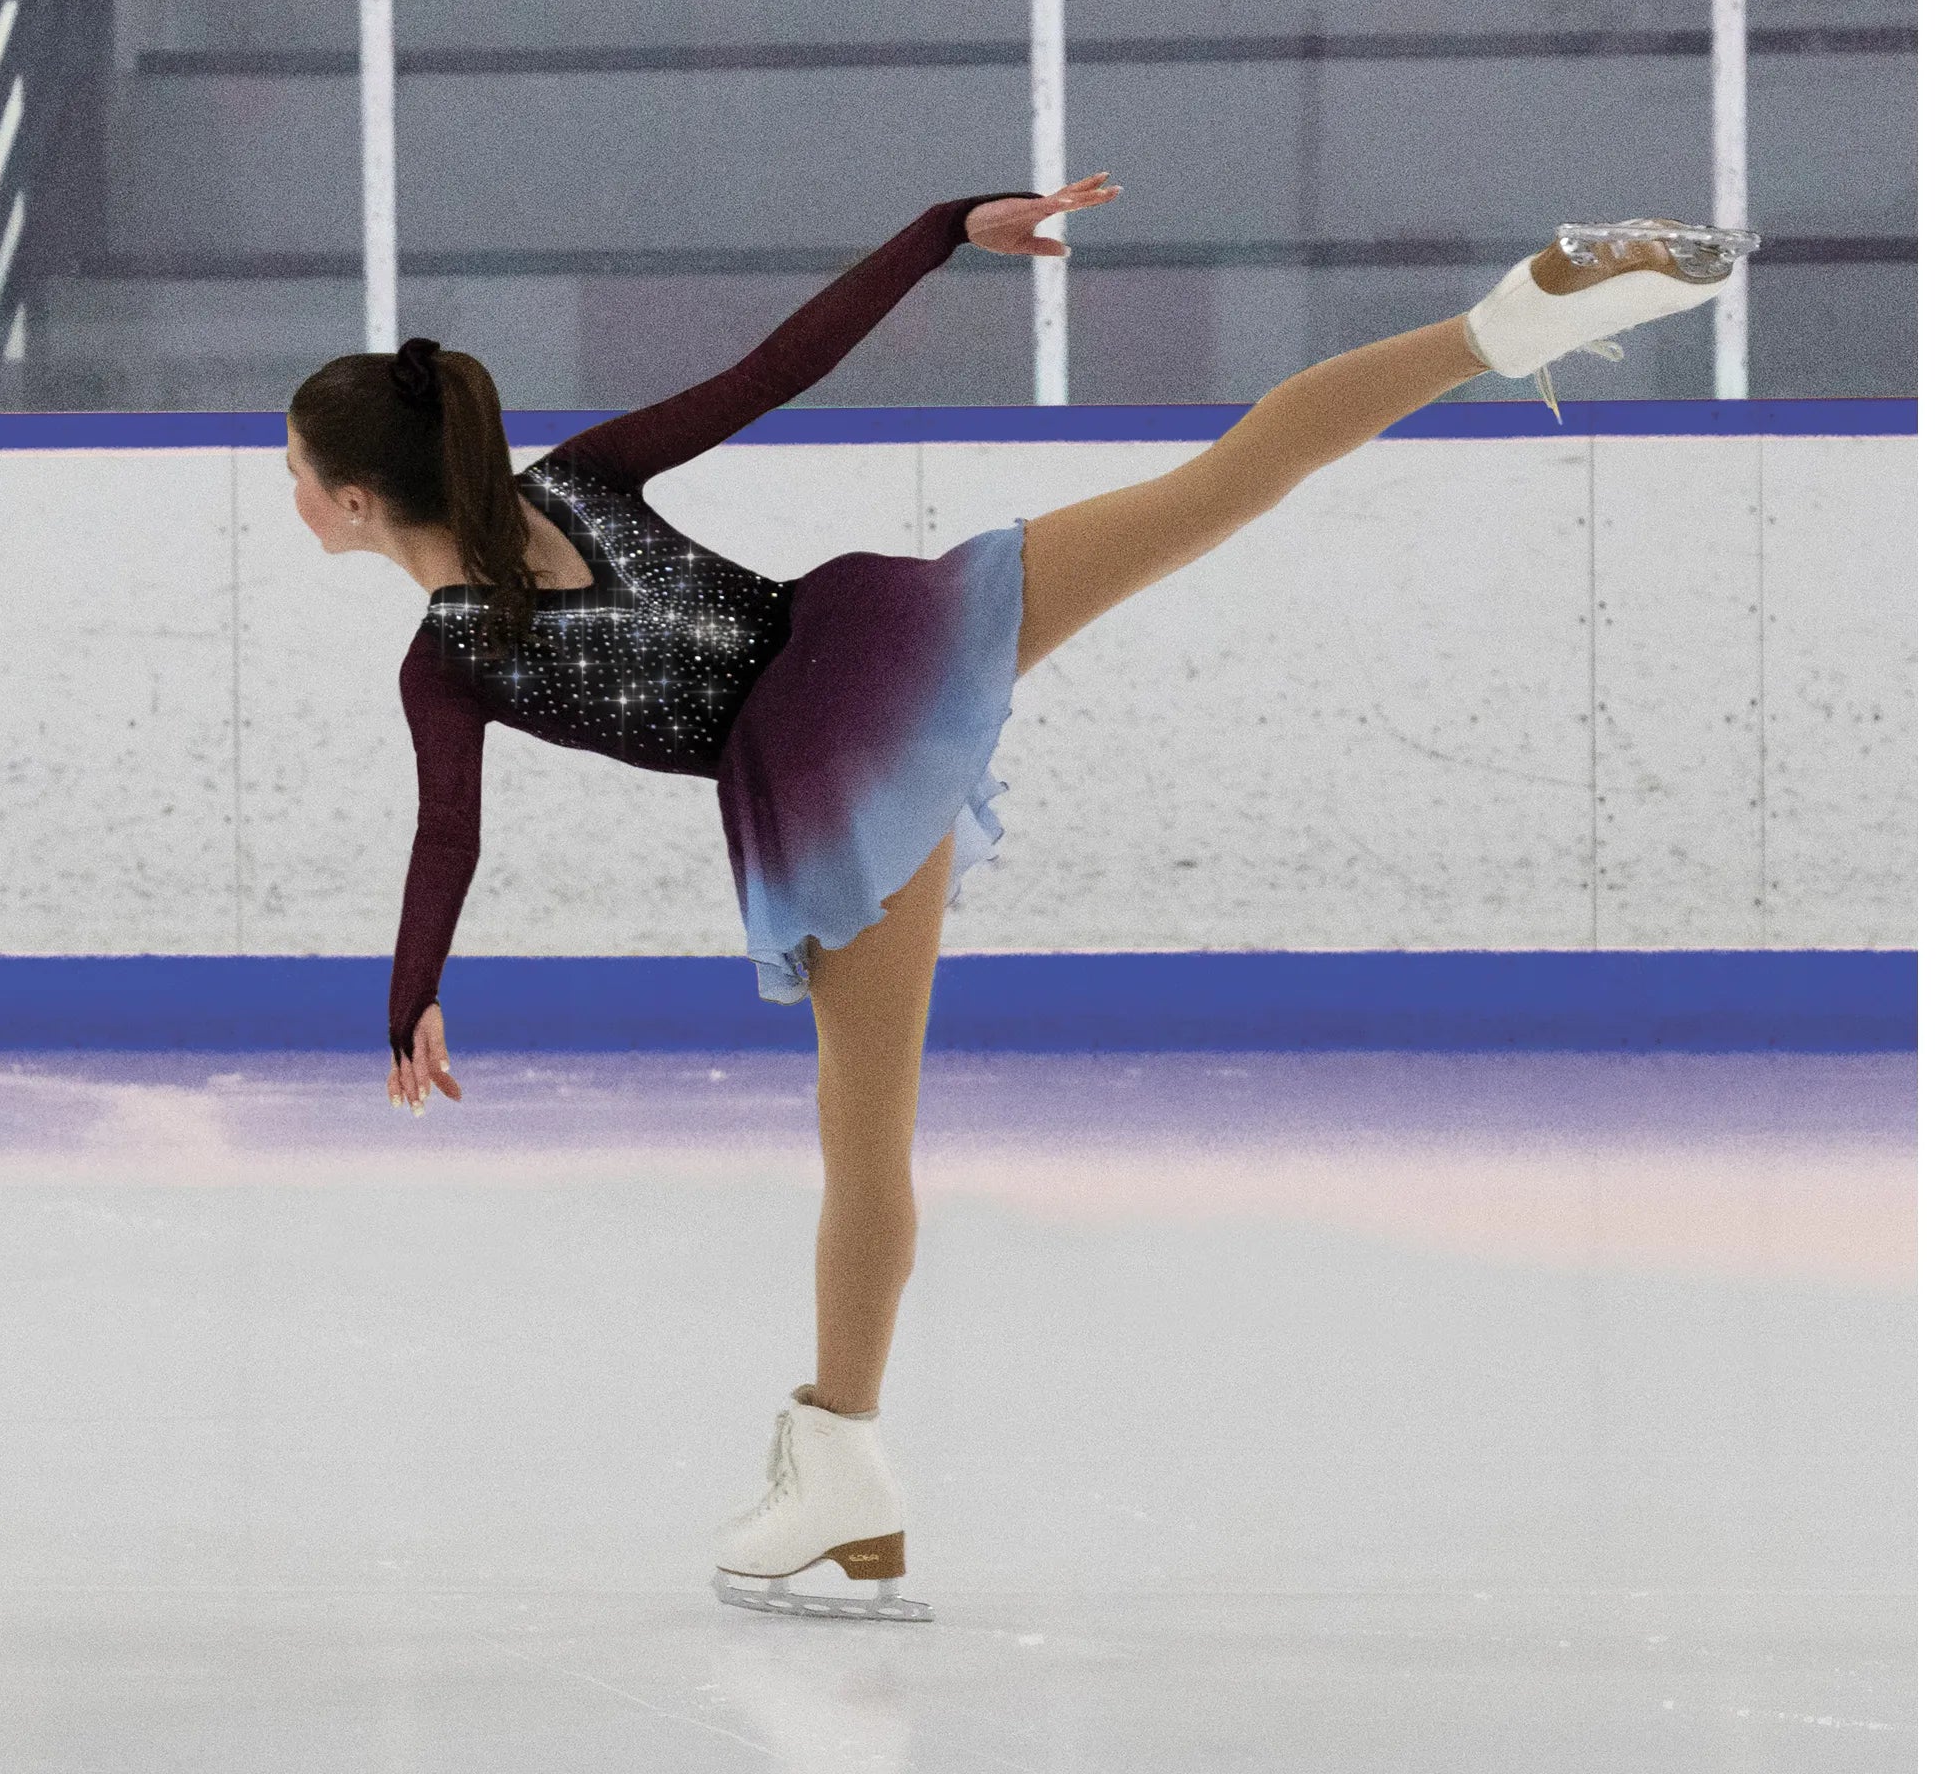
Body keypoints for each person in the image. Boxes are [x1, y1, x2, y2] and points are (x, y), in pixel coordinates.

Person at [284, 188, 1754, 1620]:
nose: (290, 494)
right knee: (1219, 484)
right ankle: (1500, 326)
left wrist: (411, 997)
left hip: (830, 785)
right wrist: (939, 231)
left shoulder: (447, 660)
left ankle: (842, 1471)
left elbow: (447, 831)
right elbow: (778, 366)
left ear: (356, 501)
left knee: (866, 1149)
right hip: (880, 639)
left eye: (296, 472)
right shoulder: (574, 483)